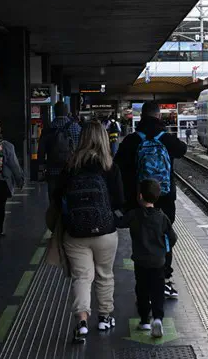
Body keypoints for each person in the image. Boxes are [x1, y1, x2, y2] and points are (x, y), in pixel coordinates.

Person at [53, 121, 124, 344]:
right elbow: (120, 200)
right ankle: (104, 317)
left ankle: (82, 321)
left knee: (82, 277)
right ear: (104, 138)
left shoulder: (70, 166)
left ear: (81, 138)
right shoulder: (110, 166)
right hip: (105, 230)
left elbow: (56, 198)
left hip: (75, 233)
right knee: (105, 275)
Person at [115, 101, 187, 299]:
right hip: (163, 198)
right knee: (164, 238)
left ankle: (144, 280)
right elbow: (183, 149)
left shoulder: (132, 140)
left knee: (140, 239)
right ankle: (163, 278)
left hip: (137, 199)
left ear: (141, 116)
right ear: (158, 116)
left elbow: (117, 166)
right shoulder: (165, 138)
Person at [124, 179, 177, 338]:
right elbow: (172, 238)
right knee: (157, 290)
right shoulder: (162, 217)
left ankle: (145, 320)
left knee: (142, 289)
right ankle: (158, 318)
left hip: (140, 261)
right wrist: (164, 249)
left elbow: (119, 222)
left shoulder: (134, 215)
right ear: (157, 196)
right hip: (158, 261)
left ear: (139, 196)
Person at [38, 102, 82, 203]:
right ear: (67, 112)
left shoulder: (48, 129)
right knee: (71, 201)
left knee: (54, 202)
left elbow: (41, 152)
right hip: (71, 170)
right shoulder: (76, 128)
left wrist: (40, 169)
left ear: (54, 112)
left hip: (52, 170)